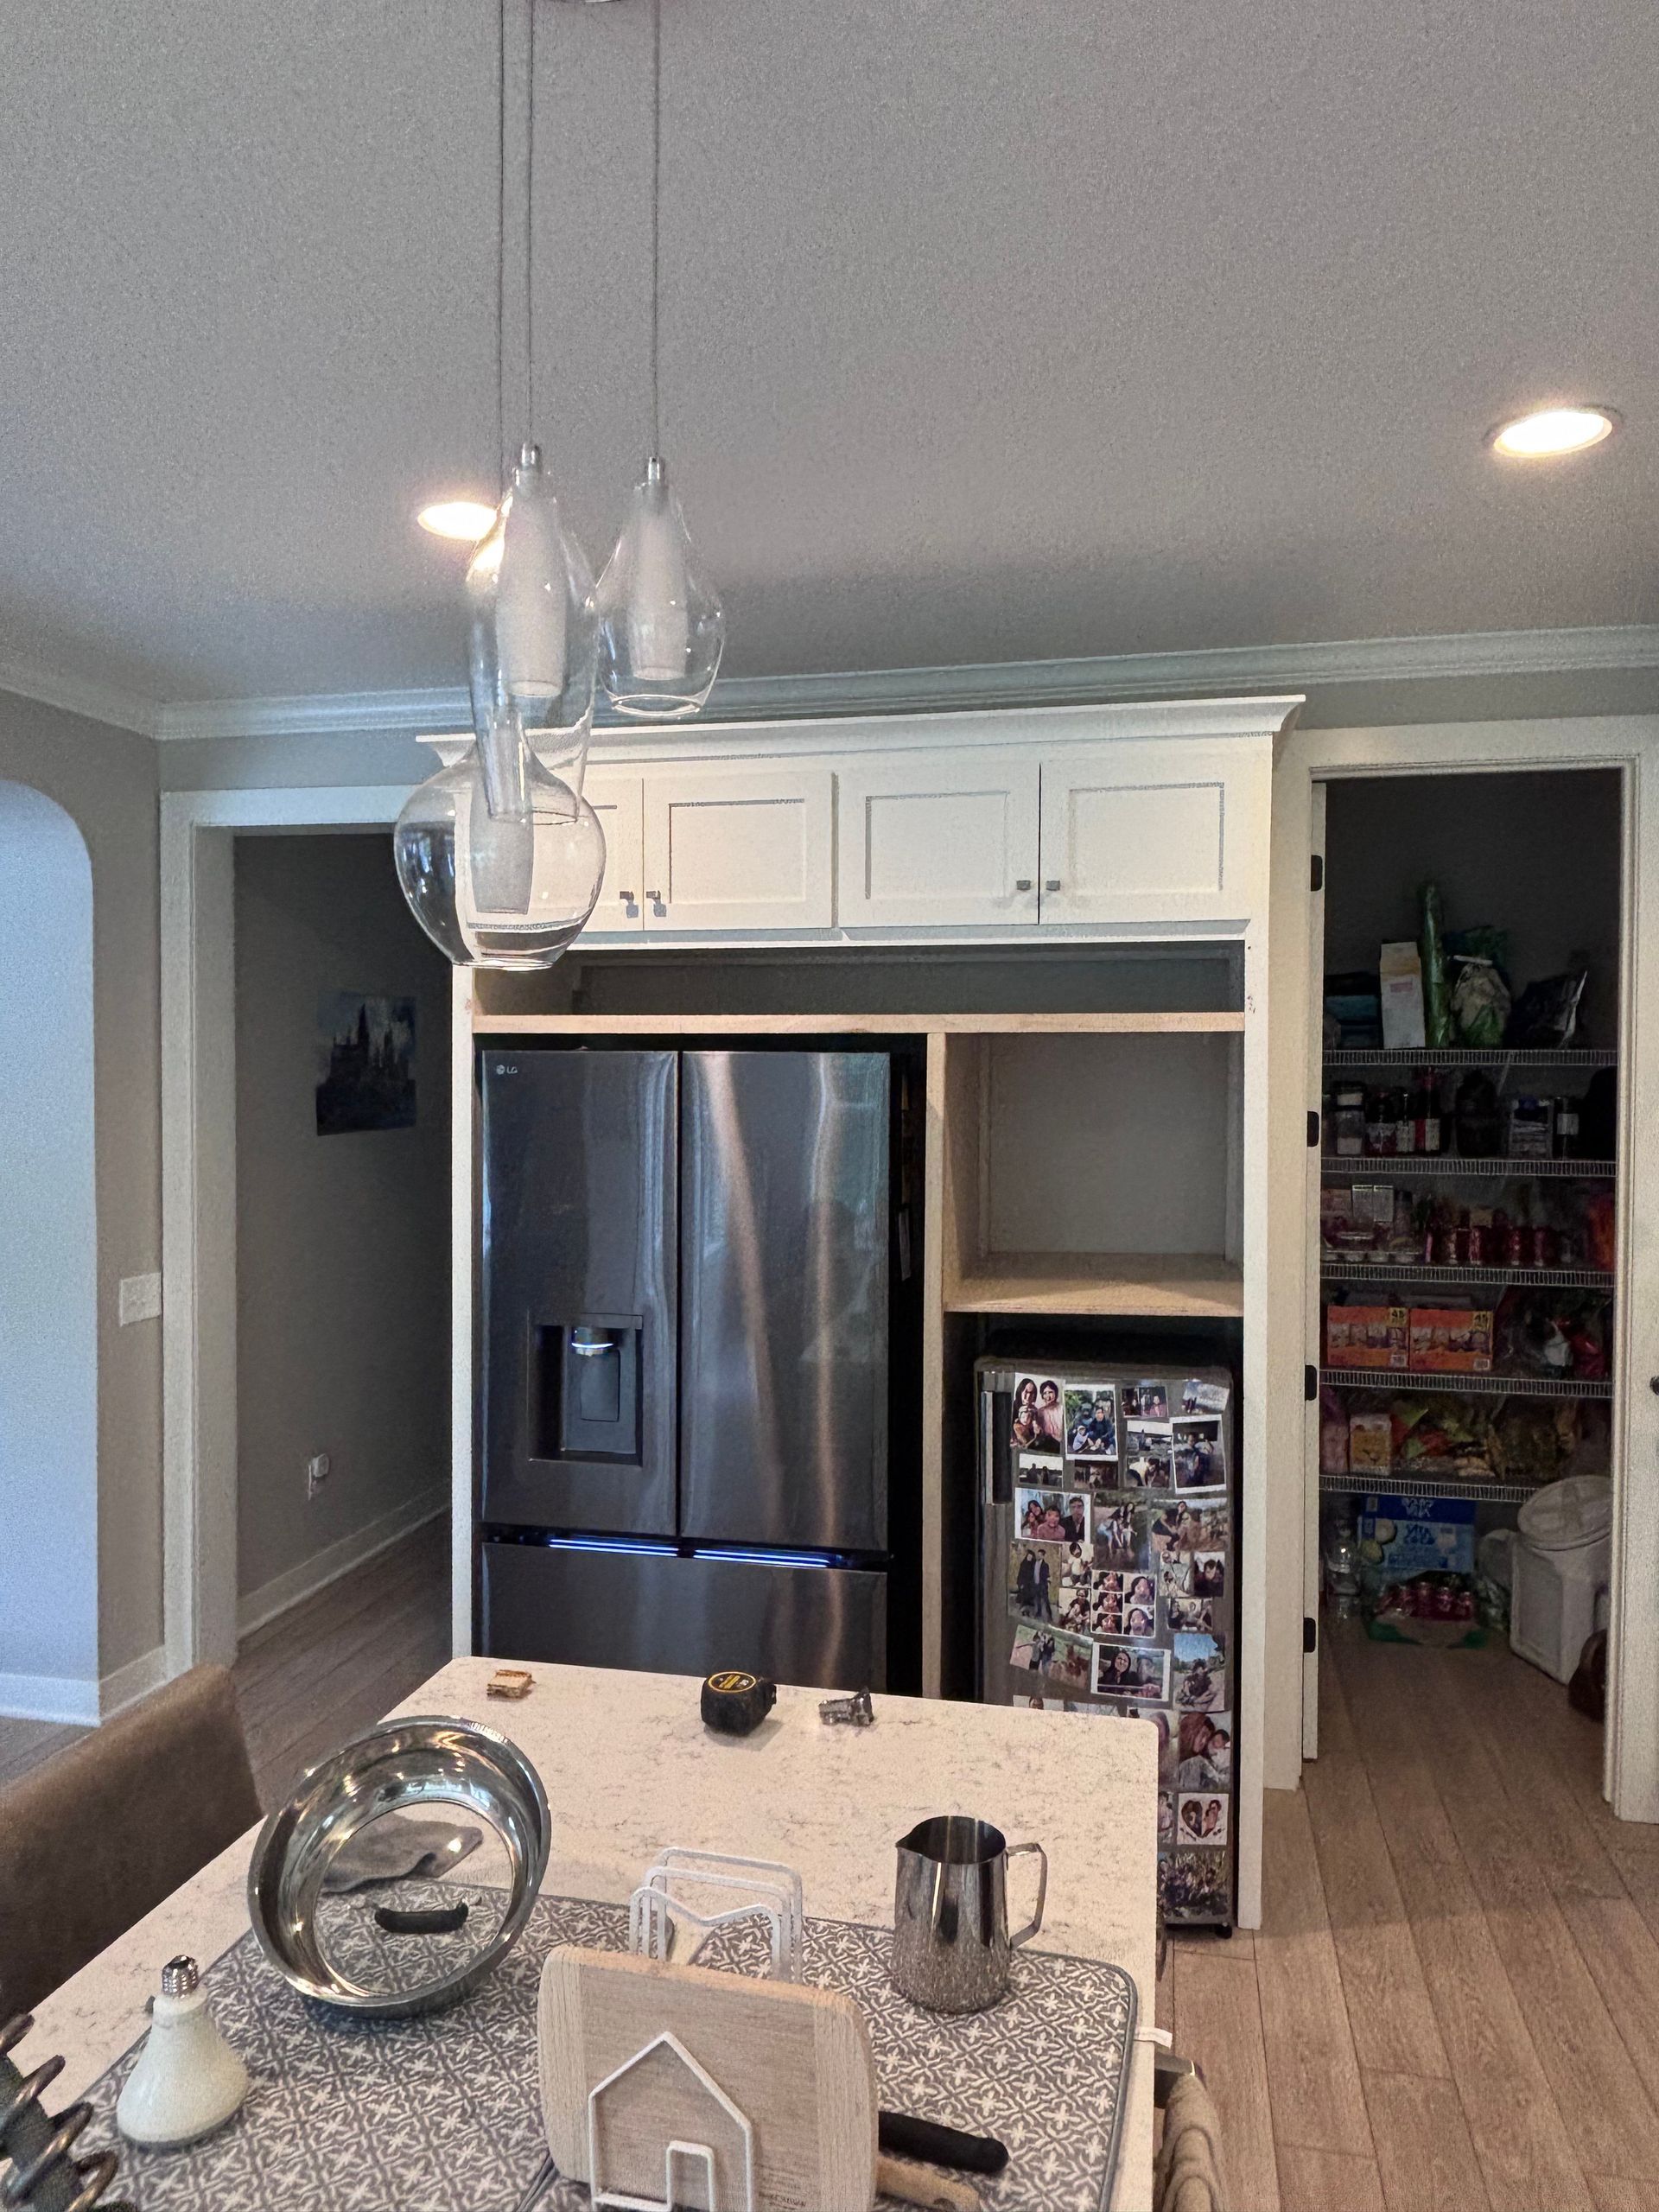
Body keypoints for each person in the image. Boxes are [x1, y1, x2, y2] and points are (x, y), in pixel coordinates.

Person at [1011, 1377, 1043, 1449]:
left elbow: (1036, 1434)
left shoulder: (1034, 1410)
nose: (1028, 1396)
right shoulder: (1012, 1406)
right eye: (1026, 1392)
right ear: (1020, 1391)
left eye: (1031, 1393)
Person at [1037, 1379, 1065, 1446]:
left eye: (1050, 1392)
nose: (1048, 1396)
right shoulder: (1040, 1412)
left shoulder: (1062, 1409)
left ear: (1056, 1393)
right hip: (1047, 1445)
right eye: (1044, 1393)